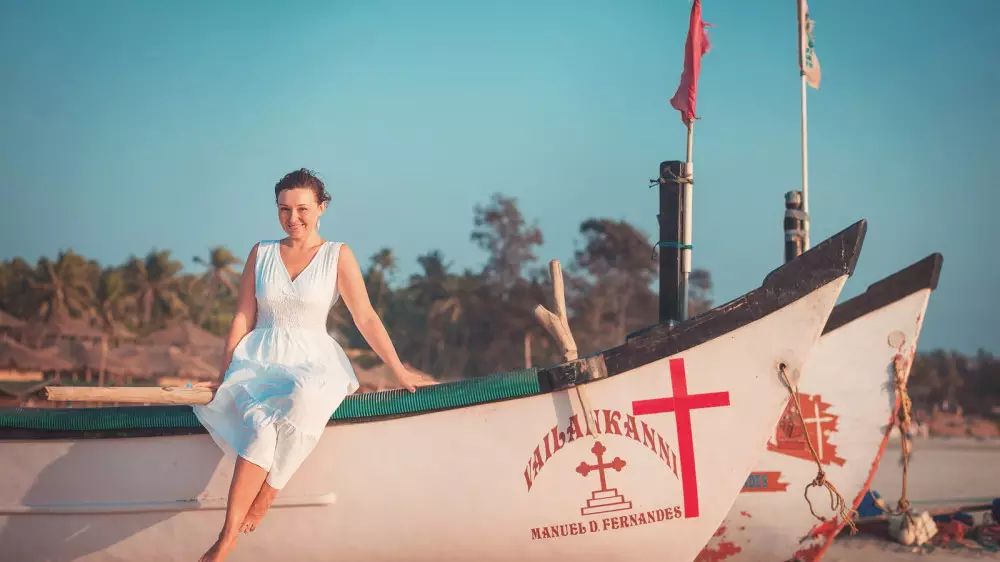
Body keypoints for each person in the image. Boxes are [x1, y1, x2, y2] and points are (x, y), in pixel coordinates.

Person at [193, 168, 422, 562]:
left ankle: (271, 489)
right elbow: (243, 316)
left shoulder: (337, 254)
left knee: (306, 393)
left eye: (302, 208)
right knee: (260, 431)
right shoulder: (261, 253)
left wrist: (397, 369)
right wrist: (223, 373)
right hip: (260, 358)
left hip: (314, 357)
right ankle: (226, 539)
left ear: (321, 207)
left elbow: (365, 317)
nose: (292, 218)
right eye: (284, 209)